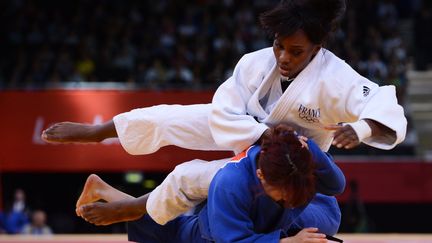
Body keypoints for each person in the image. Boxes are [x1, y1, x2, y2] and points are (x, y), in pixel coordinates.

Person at [42, 0, 407, 226]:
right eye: (279, 46)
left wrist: (358, 131)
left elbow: (384, 105)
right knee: (170, 117)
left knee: (191, 176)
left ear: (317, 48)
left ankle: (136, 207)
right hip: (247, 128)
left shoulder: (337, 78)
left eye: (296, 51)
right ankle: (99, 131)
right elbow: (223, 110)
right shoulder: (254, 63)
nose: (283, 57)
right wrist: (259, 133)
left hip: (282, 161)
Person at [76, 124, 345, 242]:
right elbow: (231, 241)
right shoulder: (229, 183)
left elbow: (335, 186)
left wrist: (311, 149)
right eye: (283, 195)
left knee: (322, 224)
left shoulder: (295, 162)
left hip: (297, 217)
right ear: (261, 176)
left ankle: (111, 193)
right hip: (219, 233)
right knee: (172, 232)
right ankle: (108, 192)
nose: (289, 200)